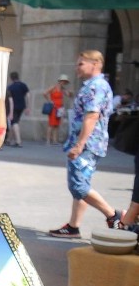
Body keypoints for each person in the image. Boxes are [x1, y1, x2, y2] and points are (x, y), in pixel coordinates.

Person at [49, 50, 122, 238]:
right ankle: (73, 226)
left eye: (81, 64)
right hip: (90, 142)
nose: (77, 68)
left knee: (79, 186)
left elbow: (92, 116)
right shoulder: (95, 85)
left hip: (87, 144)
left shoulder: (95, 86)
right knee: (82, 185)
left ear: (95, 63)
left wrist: (79, 145)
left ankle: (113, 214)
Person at [43, 74, 74, 145]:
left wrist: (71, 93)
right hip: (53, 108)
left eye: (65, 82)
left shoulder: (63, 89)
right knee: (51, 124)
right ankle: (48, 140)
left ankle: (54, 140)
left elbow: (69, 95)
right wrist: (50, 100)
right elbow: (45, 93)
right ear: (60, 81)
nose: (64, 83)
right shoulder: (54, 87)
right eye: (63, 81)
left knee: (57, 124)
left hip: (60, 108)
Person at [6, 71, 30, 147]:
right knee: (15, 122)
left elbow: (10, 99)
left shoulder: (10, 87)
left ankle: (18, 141)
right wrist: (28, 107)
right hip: (22, 106)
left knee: (14, 123)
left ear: (11, 78)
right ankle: (9, 140)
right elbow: (28, 95)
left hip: (13, 107)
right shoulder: (23, 85)